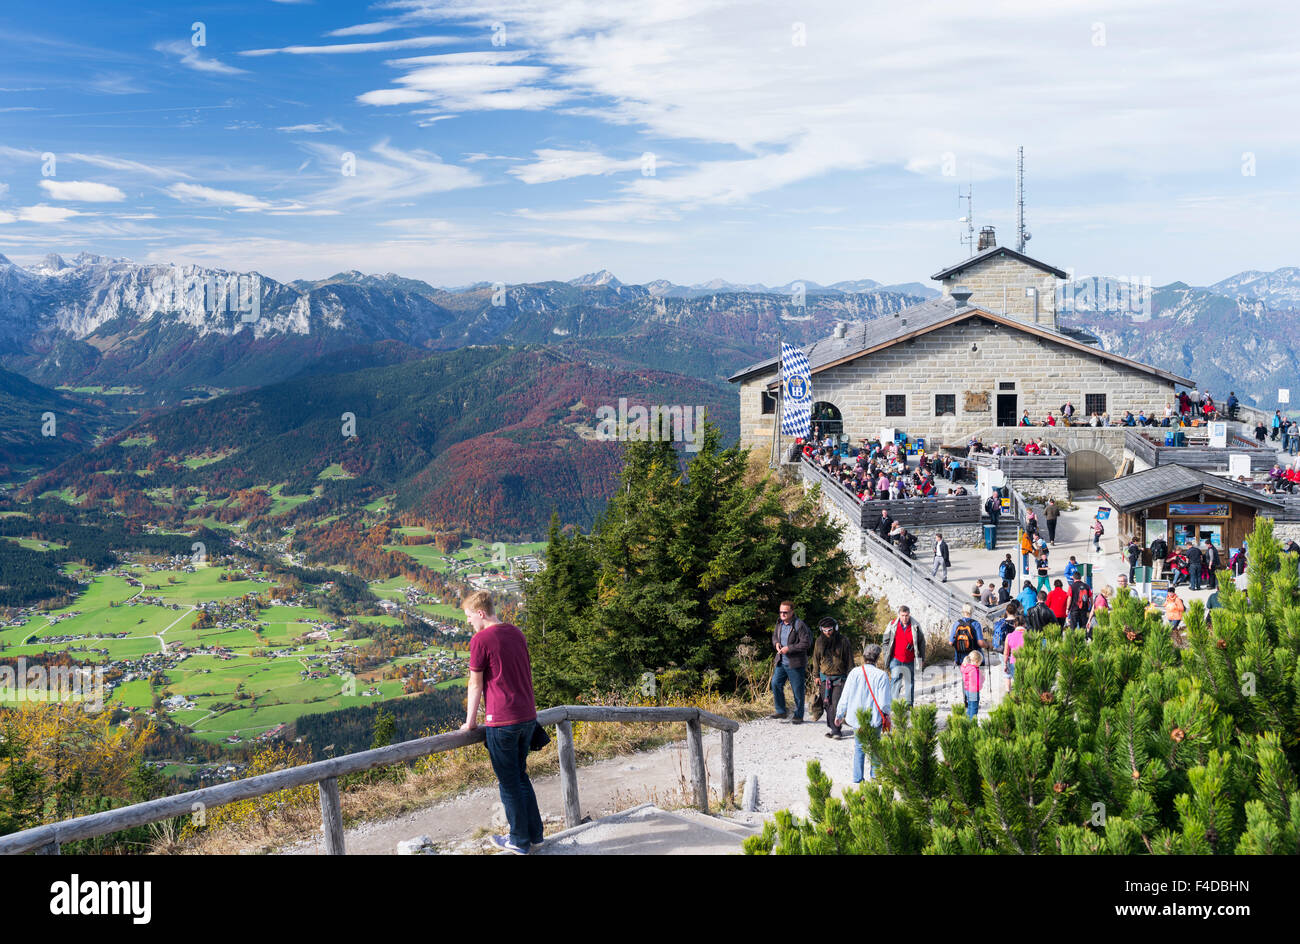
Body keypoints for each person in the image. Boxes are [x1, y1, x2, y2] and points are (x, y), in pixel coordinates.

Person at [460, 590, 544, 855]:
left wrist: (470, 722)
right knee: (520, 776)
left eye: (469, 616)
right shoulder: (516, 633)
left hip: (502, 720)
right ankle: (534, 835)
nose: (469, 622)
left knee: (508, 782)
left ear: (481, 613)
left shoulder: (481, 640)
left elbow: (475, 684)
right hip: (527, 717)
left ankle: (518, 841)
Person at [835, 643, 892, 784]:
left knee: (859, 747)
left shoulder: (854, 673)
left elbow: (845, 695)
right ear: (877, 658)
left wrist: (839, 714)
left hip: (857, 717)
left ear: (864, 657)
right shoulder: (882, 675)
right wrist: (887, 715)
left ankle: (857, 778)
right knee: (875, 748)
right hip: (874, 718)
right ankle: (876, 777)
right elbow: (884, 702)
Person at [810, 616, 854, 739]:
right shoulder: (819, 641)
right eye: (824, 630)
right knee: (826, 704)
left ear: (835, 628)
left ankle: (836, 730)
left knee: (836, 703)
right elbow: (815, 660)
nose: (827, 633)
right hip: (824, 678)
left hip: (840, 678)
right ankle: (832, 726)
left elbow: (850, 660)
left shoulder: (844, 641)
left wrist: (851, 677)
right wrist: (816, 675)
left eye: (829, 630)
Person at [770, 601, 812, 723]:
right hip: (781, 662)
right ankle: (781, 711)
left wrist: (789, 648)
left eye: (785, 612)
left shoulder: (799, 625)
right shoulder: (779, 623)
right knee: (775, 684)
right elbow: (774, 637)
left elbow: (806, 643)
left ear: (792, 612)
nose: (782, 614)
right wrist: (776, 643)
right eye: (781, 612)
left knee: (797, 690)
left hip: (795, 663)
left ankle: (799, 715)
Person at [881, 605, 925, 707]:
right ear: (899, 615)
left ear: (909, 615)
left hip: (910, 659)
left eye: (906, 615)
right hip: (895, 659)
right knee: (896, 681)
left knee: (909, 682)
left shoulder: (916, 626)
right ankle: (894, 705)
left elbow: (922, 643)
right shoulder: (892, 625)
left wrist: (922, 658)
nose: (905, 618)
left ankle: (909, 705)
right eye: (902, 615)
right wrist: (886, 654)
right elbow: (885, 641)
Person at [1003, 620, 1026, 689]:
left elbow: (1006, 653)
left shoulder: (1009, 636)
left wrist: (1005, 664)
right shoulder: (1030, 635)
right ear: (1024, 625)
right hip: (1027, 662)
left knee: (1018, 684)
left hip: (1014, 663)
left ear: (1014, 625)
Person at [962, 651, 982, 719]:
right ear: (976, 661)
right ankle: (973, 724)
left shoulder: (966, 667)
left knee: (970, 706)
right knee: (974, 708)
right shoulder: (974, 670)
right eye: (980, 663)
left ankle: (967, 721)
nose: (980, 664)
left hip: (967, 690)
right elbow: (976, 681)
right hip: (973, 691)